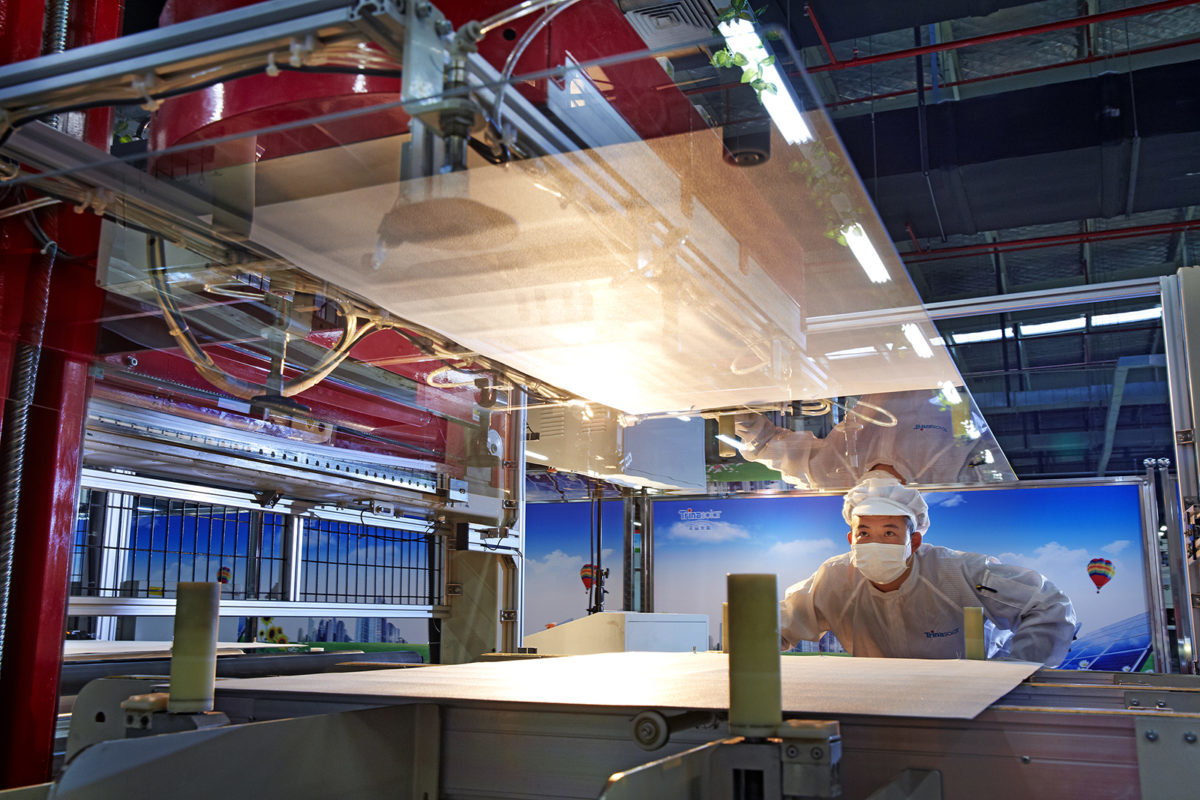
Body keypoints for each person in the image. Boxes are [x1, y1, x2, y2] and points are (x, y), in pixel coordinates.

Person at [779, 476, 1077, 665]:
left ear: (914, 541)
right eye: (864, 533)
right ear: (850, 540)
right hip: (880, 700)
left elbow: (1048, 604)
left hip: (970, 700)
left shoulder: (959, 572)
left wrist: (1014, 673)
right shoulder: (834, 579)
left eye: (889, 533)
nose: (875, 543)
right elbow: (780, 623)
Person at [735, 389, 999, 490]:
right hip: (939, 370)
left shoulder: (834, 476)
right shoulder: (948, 479)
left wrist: (739, 419)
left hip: (874, 359)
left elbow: (769, 446)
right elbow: (993, 453)